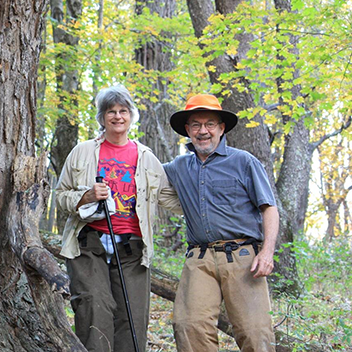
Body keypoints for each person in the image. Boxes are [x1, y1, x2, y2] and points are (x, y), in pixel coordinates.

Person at [56, 85, 182, 352]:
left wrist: (205, 204)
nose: (117, 116)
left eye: (123, 111)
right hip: (89, 245)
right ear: (102, 117)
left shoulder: (146, 157)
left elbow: (168, 198)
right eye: (110, 111)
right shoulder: (83, 151)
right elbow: (60, 196)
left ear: (131, 116)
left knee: (133, 318)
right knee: (93, 311)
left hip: (133, 249)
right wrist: (87, 196)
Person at [163, 94, 279, 352]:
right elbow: (143, 174)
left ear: (222, 128)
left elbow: (269, 208)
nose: (203, 131)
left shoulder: (244, 161)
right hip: (199, 259)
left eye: (210, 124)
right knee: (189, 325)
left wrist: (267, 252)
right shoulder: (178, 167)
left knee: (255, 332)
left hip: (242, 258)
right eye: (195, 124)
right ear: (187, 130)